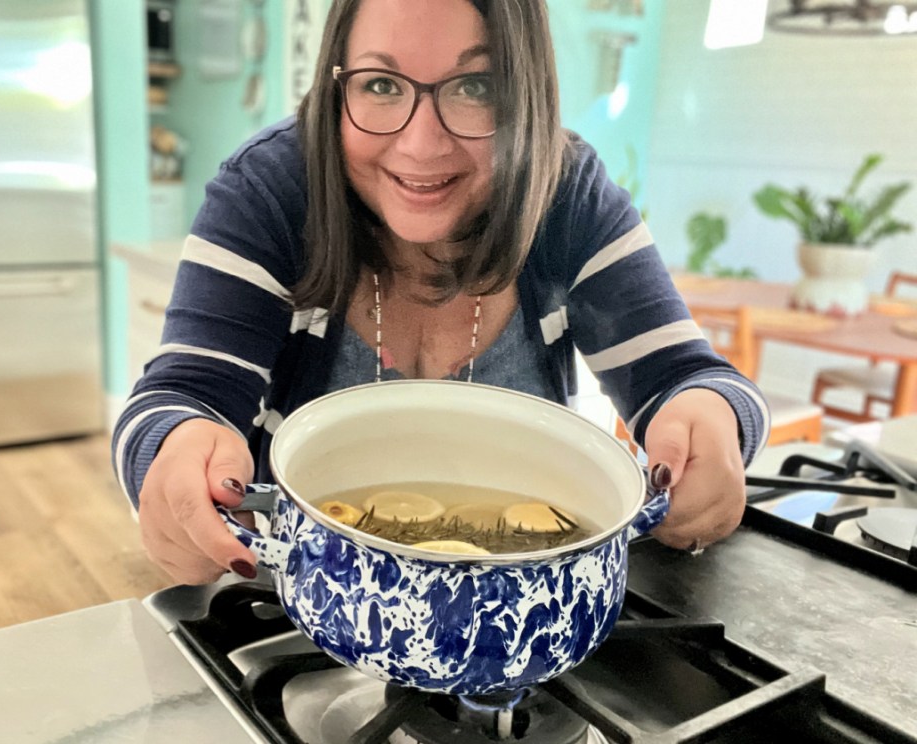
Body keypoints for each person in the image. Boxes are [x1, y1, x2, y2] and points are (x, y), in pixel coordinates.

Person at [113, 0, 770, 586]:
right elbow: (180, 395)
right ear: (337, 85)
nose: (420, 144)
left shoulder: (568, 197)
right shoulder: (272, 190)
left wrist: (712, 424)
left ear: (525, 94)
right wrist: (170, 454)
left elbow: (690, 378)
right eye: (379, 84)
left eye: (475, 86)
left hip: (518, 614)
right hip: (295, 600)